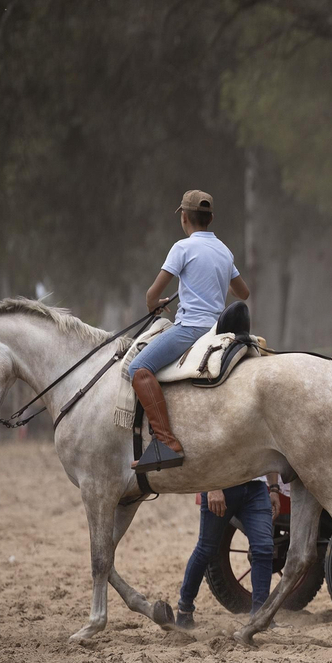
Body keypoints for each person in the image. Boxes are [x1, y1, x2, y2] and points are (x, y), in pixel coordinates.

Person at [128, 190, 250, 472]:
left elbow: (152, 294)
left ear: (184, 218)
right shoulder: (224, 251)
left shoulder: (182, 248)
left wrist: (154, 305)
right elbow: (243, 293)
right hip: (217, 329)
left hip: (191, 329)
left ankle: (166, 441)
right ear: (211, 218)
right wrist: (220, 282)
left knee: (138, 368)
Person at [175, 476, 277, 630]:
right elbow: (202, 459)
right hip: (221, 484)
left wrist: (274, 488)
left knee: (264, 548)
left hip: (256, 488)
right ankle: (184, 610)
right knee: (206, 549)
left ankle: (261, 615)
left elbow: (268, 459)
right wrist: (213, 486)